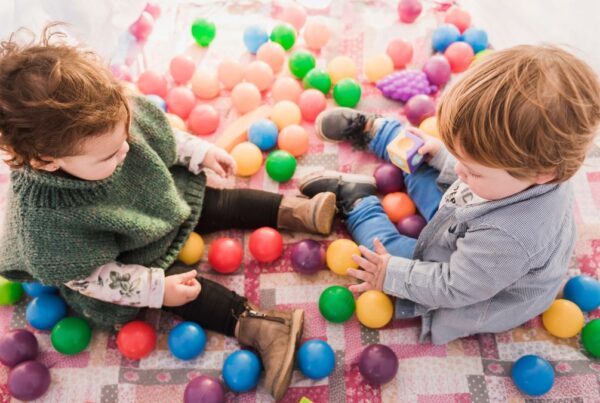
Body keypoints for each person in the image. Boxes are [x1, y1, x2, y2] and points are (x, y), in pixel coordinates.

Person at [0, 27, 336, 400]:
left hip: (153, 200)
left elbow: (160, 134)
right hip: (114, 257)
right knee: (184, 288)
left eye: (124, 137)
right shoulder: (46, 223)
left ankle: (296, 211)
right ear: (46, 162)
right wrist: (155, 289)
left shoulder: (111, 119)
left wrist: (198, 152)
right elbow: (90, 277)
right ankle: (265, 326)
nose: (125, 150)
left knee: (215, 200)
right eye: (109, 155)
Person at [299, 45, 600, 344]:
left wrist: (391, 274)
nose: (459, 171)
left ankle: (357, 201)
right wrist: (442, 154)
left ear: (542, 173)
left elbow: (452, 286)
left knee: (381, 253)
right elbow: (470, 170)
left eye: (474, 170)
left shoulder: (509, 239)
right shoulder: (526, 170)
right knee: (424, 159)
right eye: (460, 158)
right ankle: (381, 132)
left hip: (464, 283)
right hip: (466, 221)